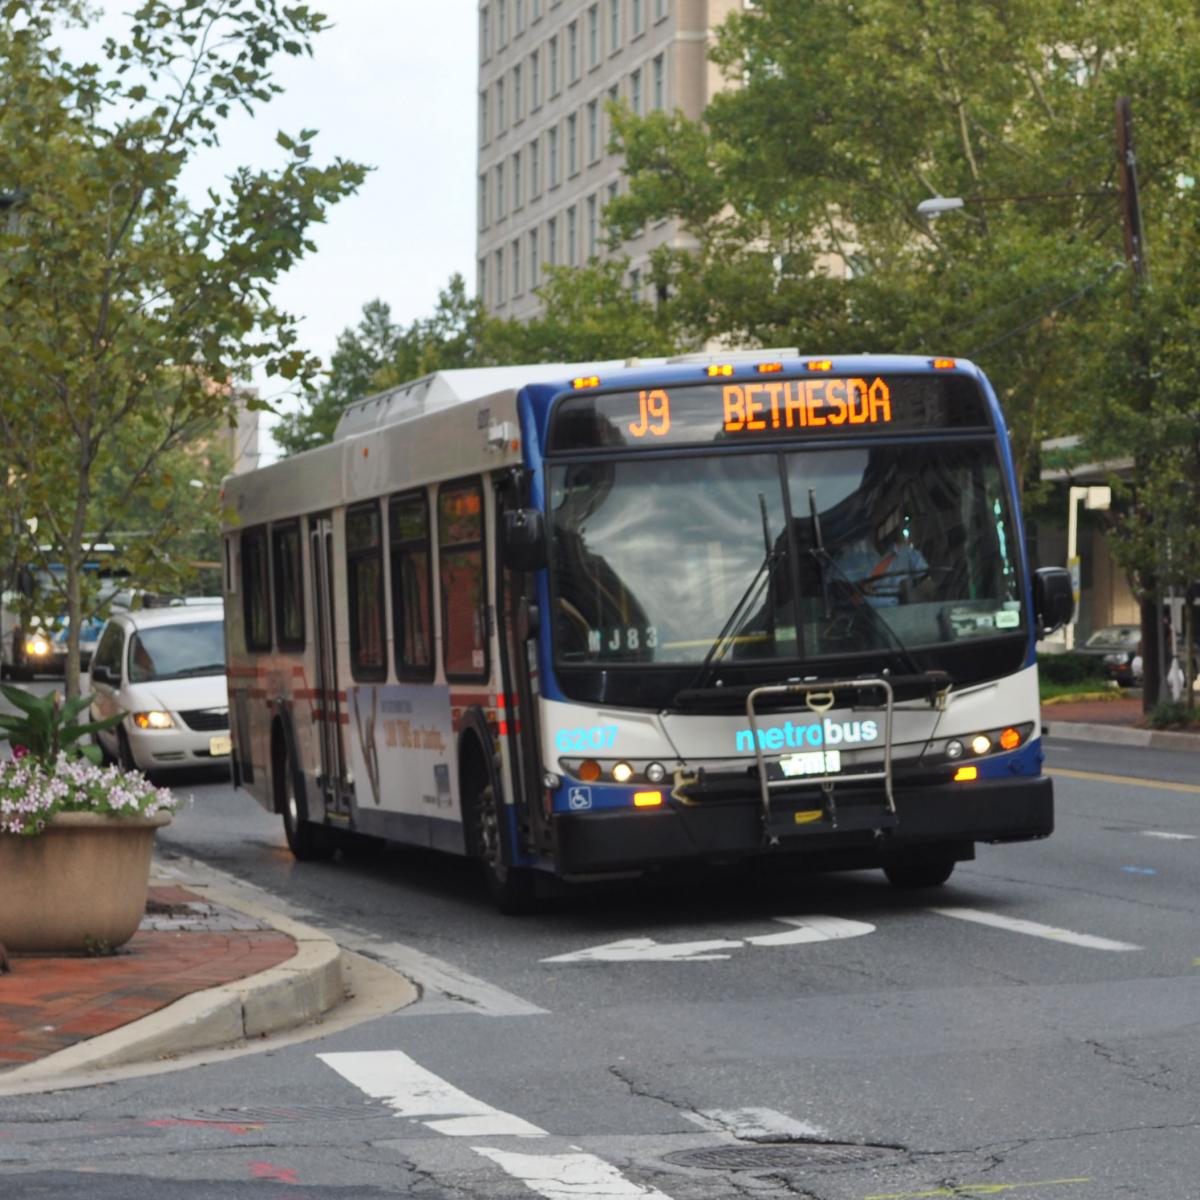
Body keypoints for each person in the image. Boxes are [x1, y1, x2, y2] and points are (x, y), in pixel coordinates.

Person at [835, 509, 929, 607]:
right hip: (862, 618)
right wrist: (856, 589)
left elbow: (927, 583)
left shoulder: (908, 554)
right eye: (878, 518)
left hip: (902, 615)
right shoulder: (848, 558)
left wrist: (918, 591)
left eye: (889, 520)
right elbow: (834, 595)